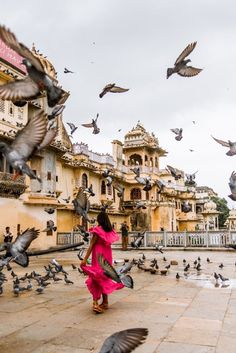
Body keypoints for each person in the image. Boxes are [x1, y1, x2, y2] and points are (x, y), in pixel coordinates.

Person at [80, 211, 124, 313]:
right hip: (107, 257)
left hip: (99, 257)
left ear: (99, 220)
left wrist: (85, 259)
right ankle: (105, 302)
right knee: (104, 277)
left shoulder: (98, 231)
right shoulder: (110, 231)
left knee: (96, 278)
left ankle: (95, 303)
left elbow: (91, 245)